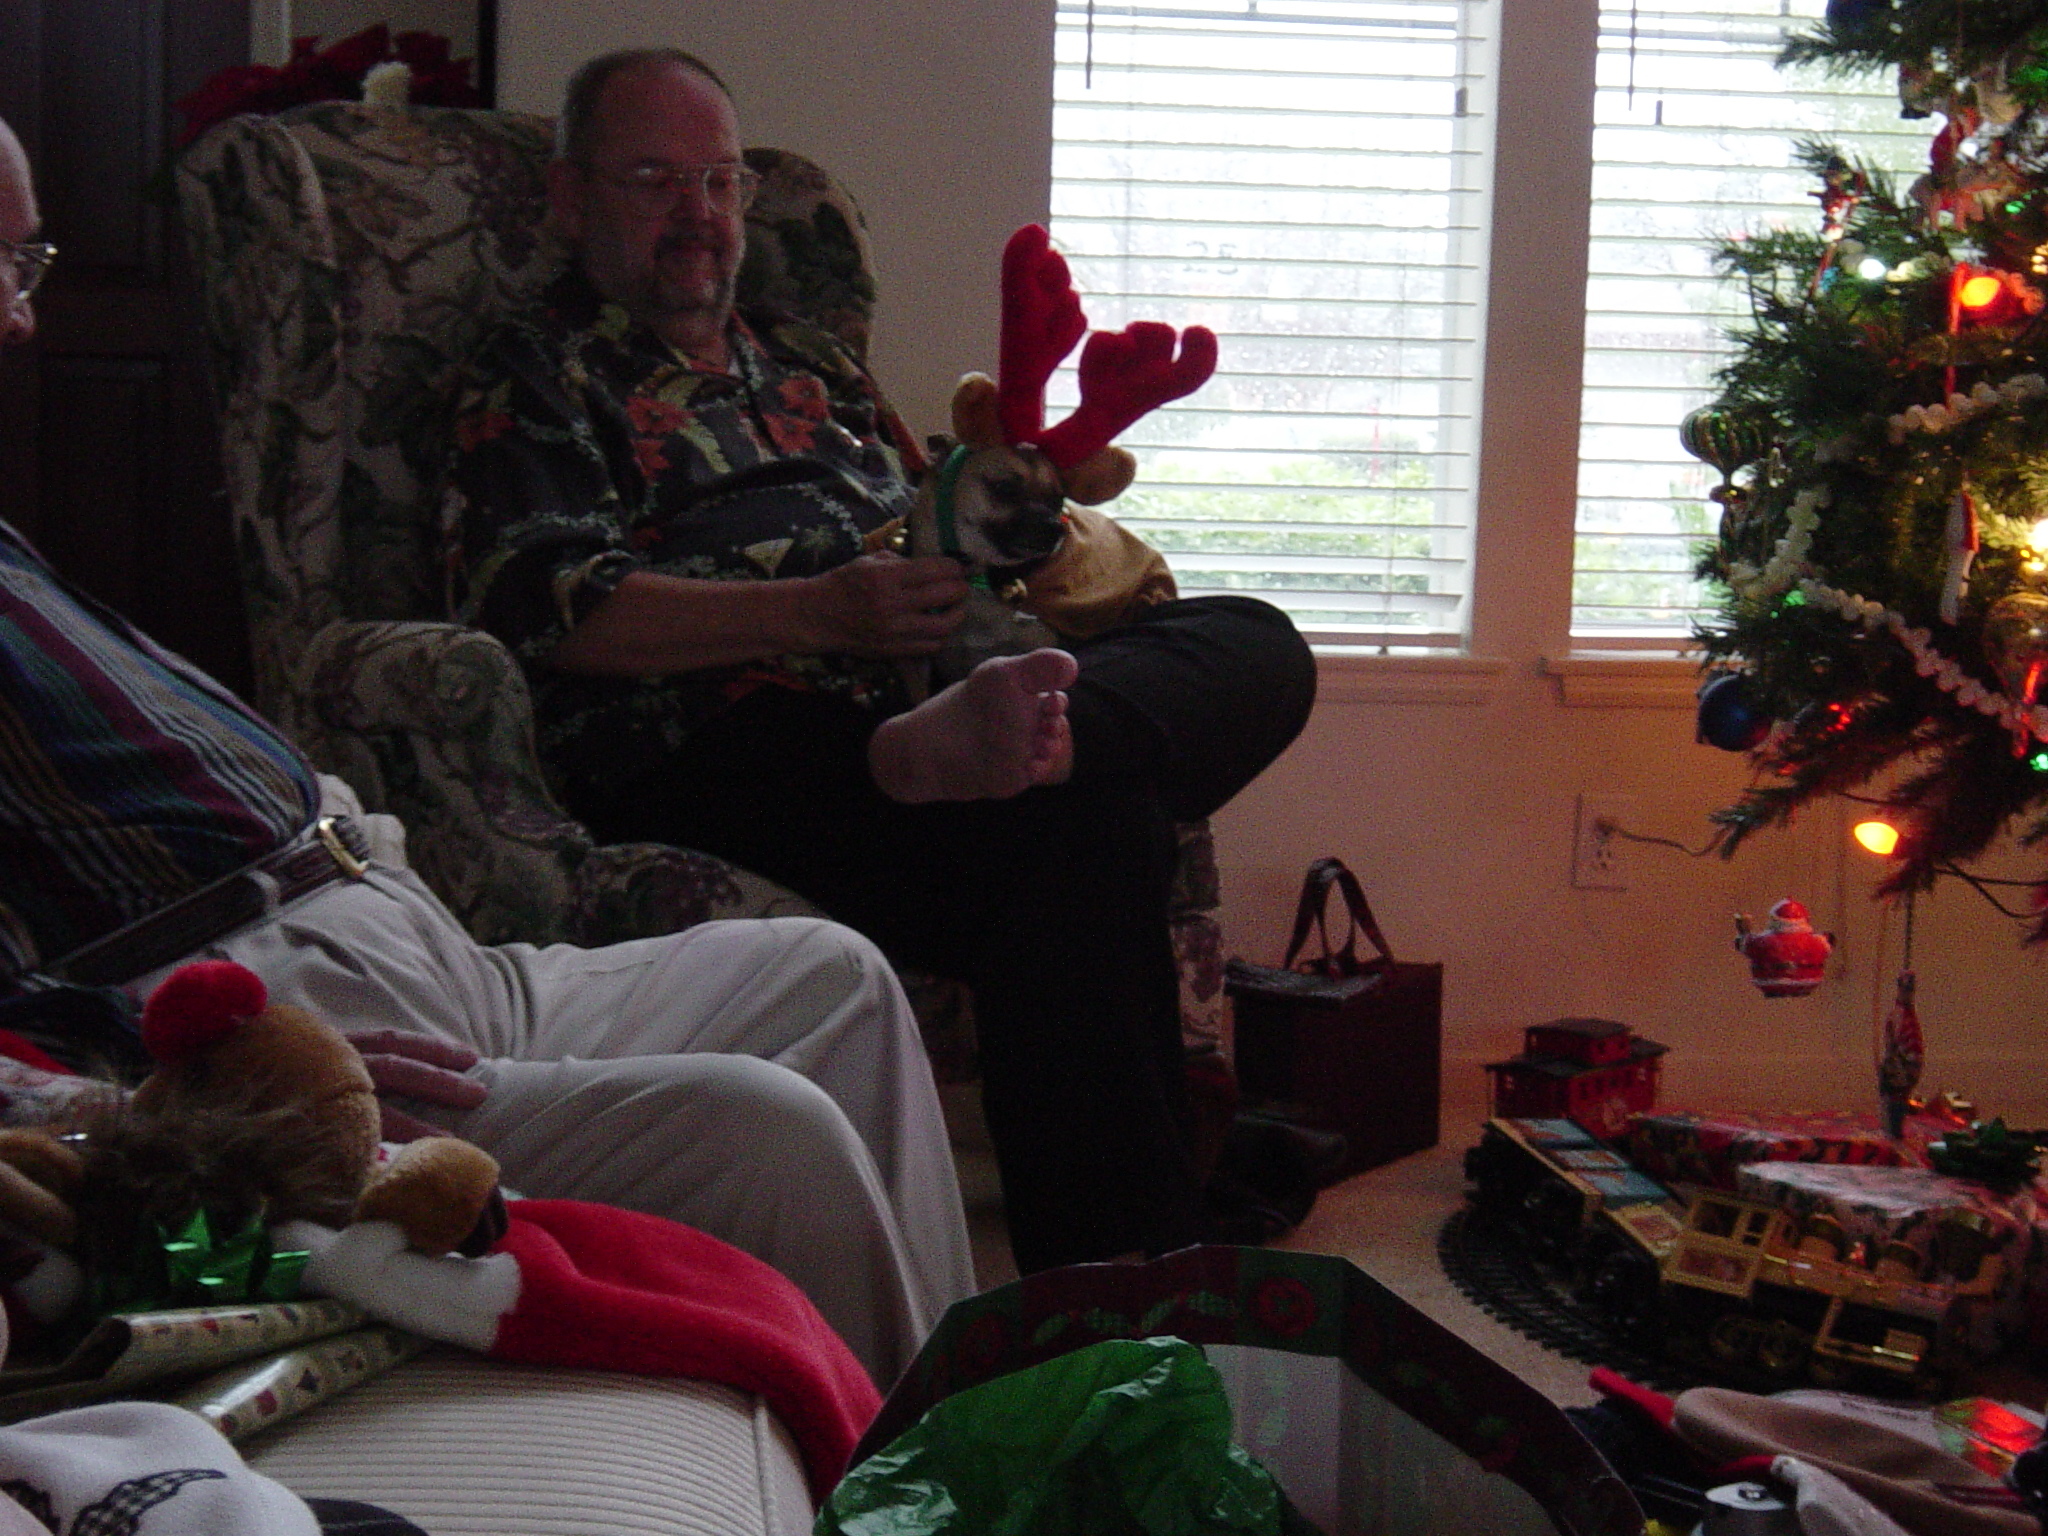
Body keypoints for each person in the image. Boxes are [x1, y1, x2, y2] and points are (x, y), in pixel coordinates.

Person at [0, 114, 974, 1389]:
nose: (25, 319)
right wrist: (147, 1079)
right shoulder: (541, 374)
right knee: (771, 1134)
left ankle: (967, 1413)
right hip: (265, 1004)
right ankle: (918, 1468)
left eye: (31, 264)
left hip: (401, 920)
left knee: (832, 974)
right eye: (5, 266)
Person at [441, 49, 1319, 1272]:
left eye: (719, 180)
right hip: (728, 739)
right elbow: (550, 608)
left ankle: (1045, 742)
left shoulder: (809, 363)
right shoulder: (536, 372)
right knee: (1089, 837)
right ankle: (1129, 1297)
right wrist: (817, 614)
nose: (698, 212)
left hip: (927, 691)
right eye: (653, 179)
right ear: (570, 196)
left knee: (1256, 642)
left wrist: (1010, 542)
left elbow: (939, 511)